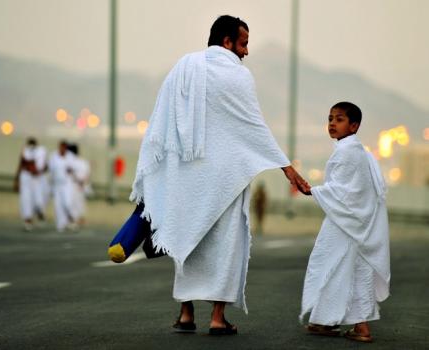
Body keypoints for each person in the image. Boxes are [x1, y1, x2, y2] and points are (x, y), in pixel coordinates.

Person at [130, 15, 310, 335]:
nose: (246, 52)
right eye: (243, 44)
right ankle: (217, 317)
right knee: (226, 245)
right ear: (227, 42)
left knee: (187, 239)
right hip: (226, 177)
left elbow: (163, 120)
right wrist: (287, 168)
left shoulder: (183, 67)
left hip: (186, 175)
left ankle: (186, 314)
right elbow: (253, 127)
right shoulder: (237, 76)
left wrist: (162, 170)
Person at [300, 102, 390, 343]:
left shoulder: (347, 152)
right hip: (356, 222)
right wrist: (320, 192)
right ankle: (328, 322)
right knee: (349, 269)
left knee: (330, 265)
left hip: (345, 222)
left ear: (354, 125)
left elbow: (344, 192)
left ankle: (355, 326)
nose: (331, 123)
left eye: (339, 119)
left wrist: (314, 192)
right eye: (330, 118)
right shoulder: (358, 151)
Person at [14, 138, 46, 231]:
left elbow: (42, 166)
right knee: (25, 200)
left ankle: (40, 213)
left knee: (38, 202)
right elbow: (21, 164)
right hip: (26, 178)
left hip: (36, 179)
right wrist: (16, 179)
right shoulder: (25, 151)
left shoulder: (41, 152)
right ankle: (28, 221)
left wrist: (38, 169)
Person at [49, 140, 77, 232]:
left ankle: (72, 219)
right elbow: (51, 170)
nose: (62, 149)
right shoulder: (54, 156)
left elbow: (73, 168)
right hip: (57, 184)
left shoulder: (70, 156)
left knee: (67, 203)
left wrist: (69, 169)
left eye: (64, 147)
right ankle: (61, 224)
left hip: (67, 184)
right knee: (58, 205)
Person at [67, 143, 91, 226]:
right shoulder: (83, 162)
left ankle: (76, 221)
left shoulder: (79, 162)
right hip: (76, 185)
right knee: (76, 203)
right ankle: (75, 220)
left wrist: (81, 182)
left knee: (76, 204)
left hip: (77, 186)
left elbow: (85, 175)